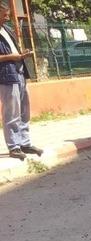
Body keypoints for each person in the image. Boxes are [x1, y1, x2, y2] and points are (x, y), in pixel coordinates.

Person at [0, 1, 41, 161]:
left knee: (24, 109)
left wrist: (22, 54)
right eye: (5, 15)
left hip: (20, 72)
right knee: (11, 112)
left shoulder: (7, 29)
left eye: (8, 14)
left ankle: (25, 143)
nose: (7, 17)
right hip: (6, 76)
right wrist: (12, 57)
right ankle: (14, 146)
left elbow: (13, 50)